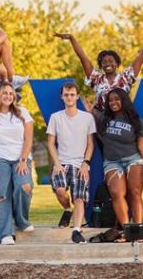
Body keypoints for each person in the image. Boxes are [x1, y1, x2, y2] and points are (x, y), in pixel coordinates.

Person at [53, 32, 143, 113]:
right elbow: (82, 57)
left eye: (111, 61)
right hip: (101, 120)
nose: (107, 64)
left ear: (117, 64)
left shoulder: (126, 77)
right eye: (104, 62)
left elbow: (141, 56)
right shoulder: (96, 78)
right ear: (101, 65)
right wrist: (72, 39)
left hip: (122, 119)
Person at [97, 88, 143, 237]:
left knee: (135, 192)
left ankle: (137, 230)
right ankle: (126, 232)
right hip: (112, 162)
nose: (113, 103)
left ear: (123, 100)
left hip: (133, 159)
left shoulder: (135, 120)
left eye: (116, 99)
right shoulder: (104, 119)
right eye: (110, 100)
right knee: (117, 193)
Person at [0, 83, 35, 245]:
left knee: (24, 187)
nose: (8, 96)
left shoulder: (23, 113)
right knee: (1, 194)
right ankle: (5, 234)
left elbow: (28, 139)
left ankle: (21, 220)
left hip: (21, 158)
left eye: (11, 93)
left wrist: (23, 160)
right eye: (5, 93)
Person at [46, 83, 97, 244]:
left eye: (72, 94)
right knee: (60, 191)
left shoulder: (87, 118)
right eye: (66, 94)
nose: (69, 97)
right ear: (62, 97)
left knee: (79, 198)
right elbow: (50, 143)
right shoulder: (56, 117)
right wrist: (57, 163)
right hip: (62, 162)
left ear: (77, 96)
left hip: (80, 164)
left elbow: (90, 144)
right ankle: (67, 209)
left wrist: (85, 163)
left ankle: (76, 231)